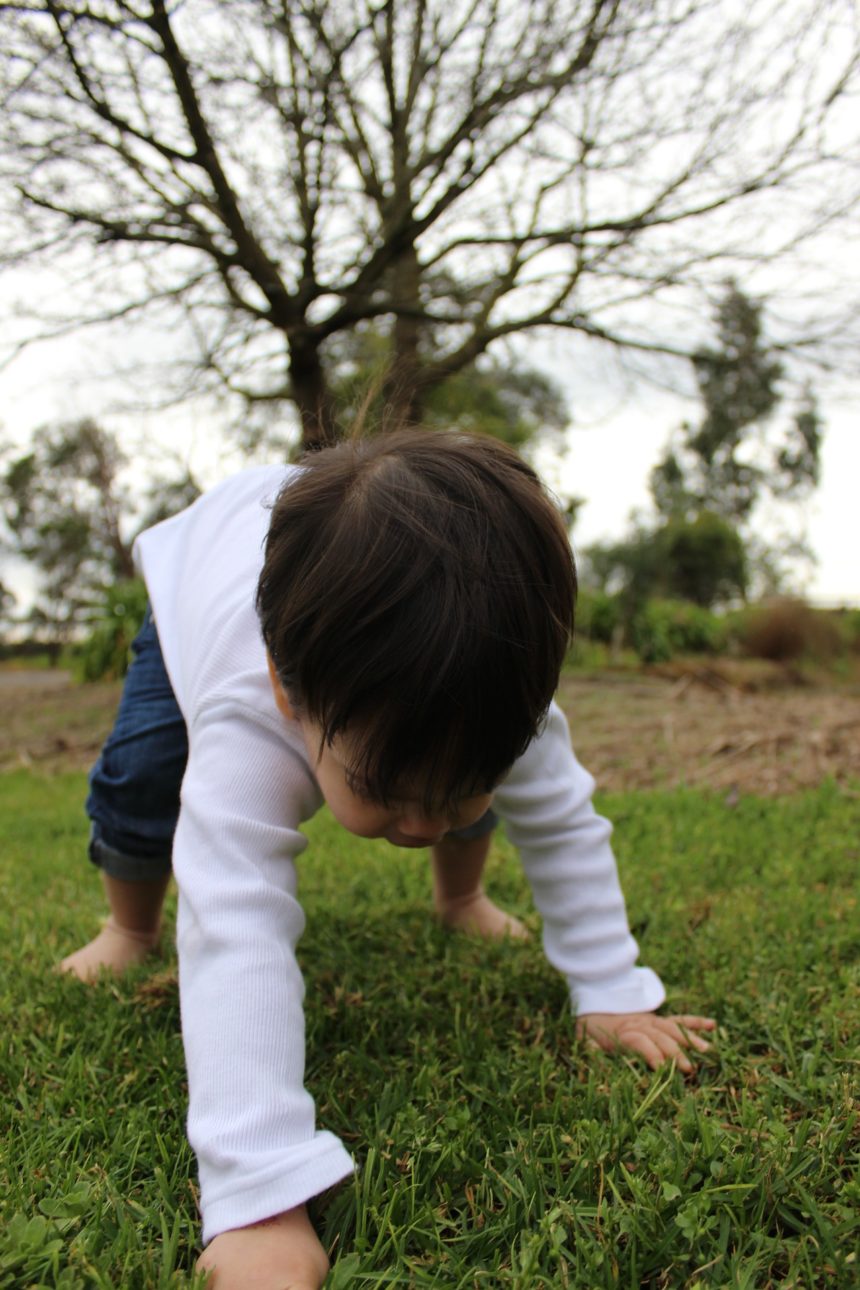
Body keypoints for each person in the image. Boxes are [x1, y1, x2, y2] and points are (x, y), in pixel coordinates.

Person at [60, 429, 715, 1290]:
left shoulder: (503, 693)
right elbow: (235, 924)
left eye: (461, 785)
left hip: (357, 638)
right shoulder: (247, 710)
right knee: (143, 775)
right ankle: (127, 924)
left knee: (453, 770)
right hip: (193, 593)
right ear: (292, 697)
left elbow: (560, 822)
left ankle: (460, 899)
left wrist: (610, 987)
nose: (417, 825)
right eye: (383, 785)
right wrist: (257, 1198)